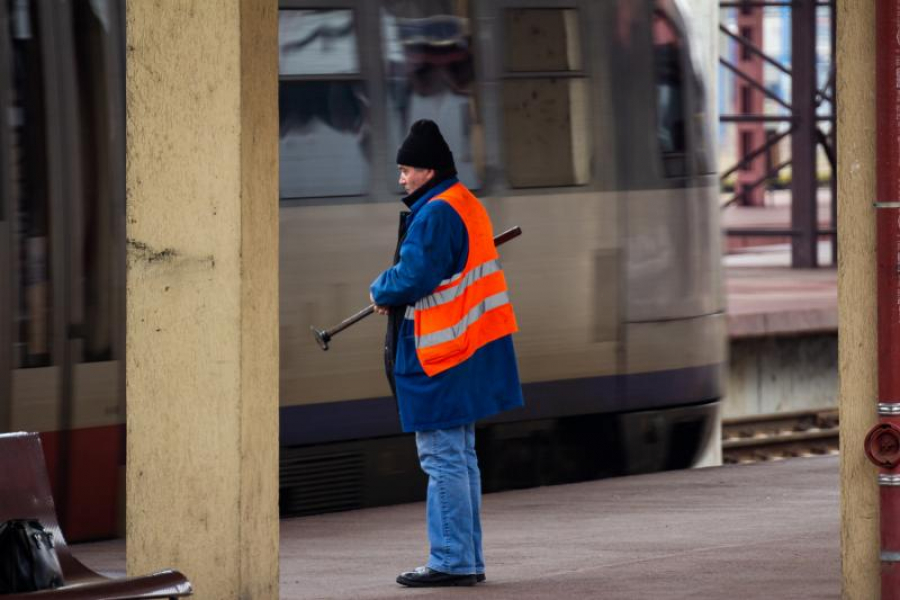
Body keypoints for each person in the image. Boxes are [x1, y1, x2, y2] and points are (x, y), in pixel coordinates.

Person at [369, 119, 525, 587]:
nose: (401, 178)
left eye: (407, 169)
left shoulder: (435, 212)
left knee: (441, 458)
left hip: (439, 352)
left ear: (429, 170)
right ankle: (466, 558)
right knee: (460, 457)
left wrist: (381, 288)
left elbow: (414, 275)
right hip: (467, 344)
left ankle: (452, 560)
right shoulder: (465, 203)